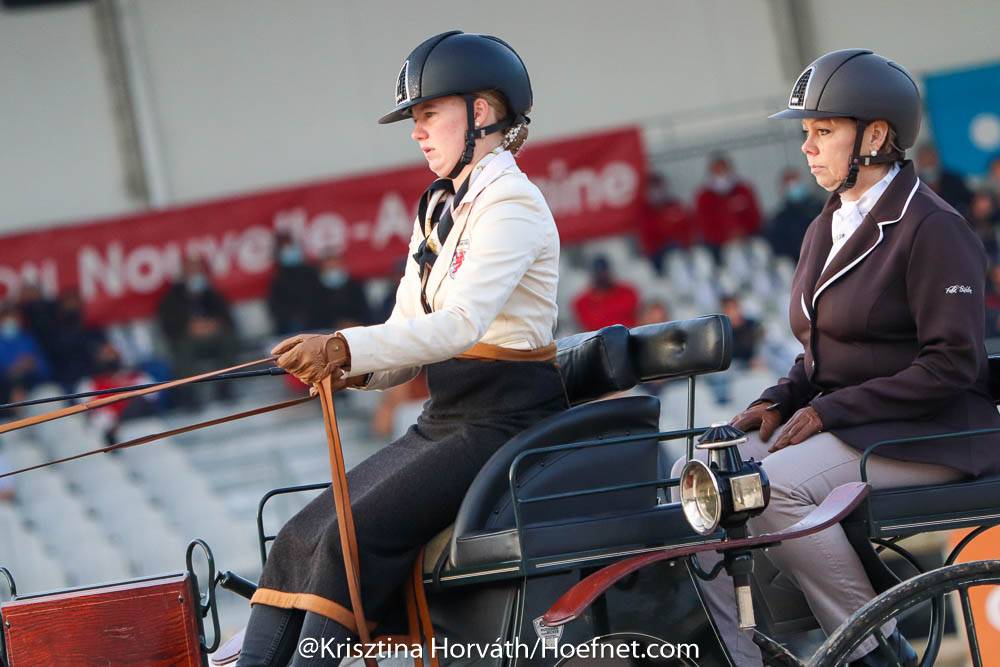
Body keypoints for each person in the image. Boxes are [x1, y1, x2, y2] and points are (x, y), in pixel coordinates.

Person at [237, 31, 566, 666]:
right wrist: (348, 371)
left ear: (480, 112)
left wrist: (342, 347)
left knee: (348, 542)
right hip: (447, 417)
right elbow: (409, 335)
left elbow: (460, 325)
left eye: (428, 114)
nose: (416, 132)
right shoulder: (439, 206)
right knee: (299, 536)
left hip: (505, 419)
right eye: (415, 118)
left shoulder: (513, 203)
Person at [676, 49, 1000, 667]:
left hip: (932, 432)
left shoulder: (933, 227)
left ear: (875, 136)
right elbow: (822, 353)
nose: (807, 147)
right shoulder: (826, 224)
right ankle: (746, 655)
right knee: (702, 478)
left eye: (823, 131)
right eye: (807, 132)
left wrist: (831, 411)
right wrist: (777, 400)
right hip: (856, 423)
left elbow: (953, 363)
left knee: (770, 488)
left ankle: (873, 651)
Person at [157, 258, 238, 408]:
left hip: (212, 338)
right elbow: (168, 325)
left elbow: (227, 318)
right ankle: (190, 394)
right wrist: (188, 327)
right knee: (182, 349)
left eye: (198, 271)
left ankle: (224, 386)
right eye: (191, 271)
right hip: (188, 339)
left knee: (229, 339)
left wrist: (214, 324)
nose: (195, 275)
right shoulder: (173, 297)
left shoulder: (211, 293)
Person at [694, 153, 762, 255]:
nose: (721, 172)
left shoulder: (743, 189)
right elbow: (704, 225)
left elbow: (755, 216)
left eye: (723, 167)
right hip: (719, 245)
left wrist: (743, 233)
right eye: (716, 169)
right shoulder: (704, 196)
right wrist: (725, 237)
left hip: (748, 238)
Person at [267, 232, 323, 335]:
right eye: (285, 249)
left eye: (291, 247)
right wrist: (295, 316)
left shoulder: (312, 272)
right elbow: (277, 307)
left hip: (317, 319)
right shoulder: (278, 279)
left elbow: (321, 297)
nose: (289, 251)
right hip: (292, 325)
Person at [638, 172, 694, 273]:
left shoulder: (675, 205)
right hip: (658, 254)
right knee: (674, 256)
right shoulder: (644, 211)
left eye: (659, 187)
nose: (658, 191)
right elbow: (649, 236)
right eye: (654, 188)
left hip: (682, 250)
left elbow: (687, 227)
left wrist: (686, 243)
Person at [765, 168, 824, 261]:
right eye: (790, 185)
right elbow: (779, 247)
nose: (795, 188)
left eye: (797, 182)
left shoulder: (820, 207)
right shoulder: (781, 219)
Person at [572, 255, 640, 330]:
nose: (602, 276)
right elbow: (586, 329)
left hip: (629, 334)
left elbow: (639, 318)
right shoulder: (582, 302)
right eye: (598, 273)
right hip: (600, 337)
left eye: (604, 272)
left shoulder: (627, 292)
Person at [313, 253, 372, 330]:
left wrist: (353, 323)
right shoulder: (315, 290)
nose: (333, 271)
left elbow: (364, 312)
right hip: (324, 330)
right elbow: (315, 316)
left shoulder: (354, 286)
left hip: (353, 328)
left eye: (335, 267)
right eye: (330, 268)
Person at [915, 143, 973, 215]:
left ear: (936, 159)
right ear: (918, 162)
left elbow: (971, 201)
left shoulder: (954, 181)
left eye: (930, 159)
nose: (928, 164)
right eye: (924, 160)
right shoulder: (913, 185)